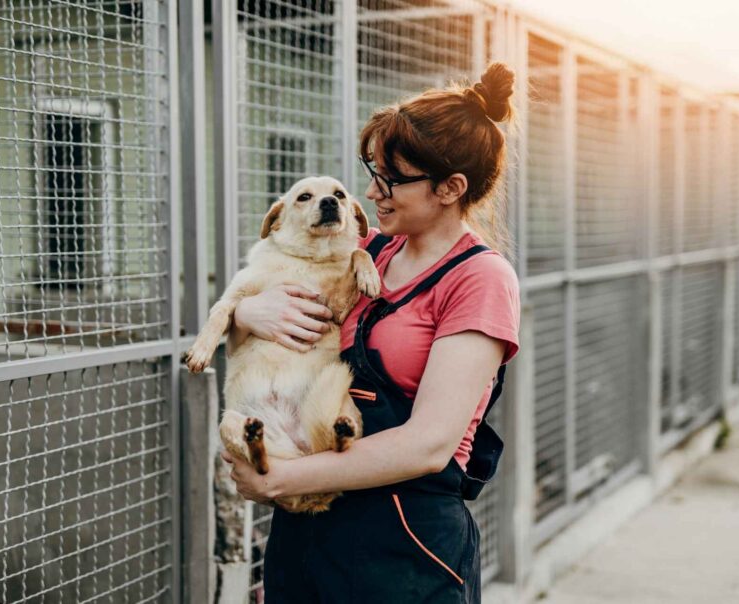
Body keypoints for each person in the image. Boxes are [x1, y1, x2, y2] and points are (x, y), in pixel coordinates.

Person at [221, 63, 521, 603]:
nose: (371, 191)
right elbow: (276, 308)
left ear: (451, 188)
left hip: (402, 540)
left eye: (391, 179)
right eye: (373, 170)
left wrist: (282, 480)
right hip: (311, 527)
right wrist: (247, 314)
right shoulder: (371, 252)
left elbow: (429, 444)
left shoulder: (480, 279)